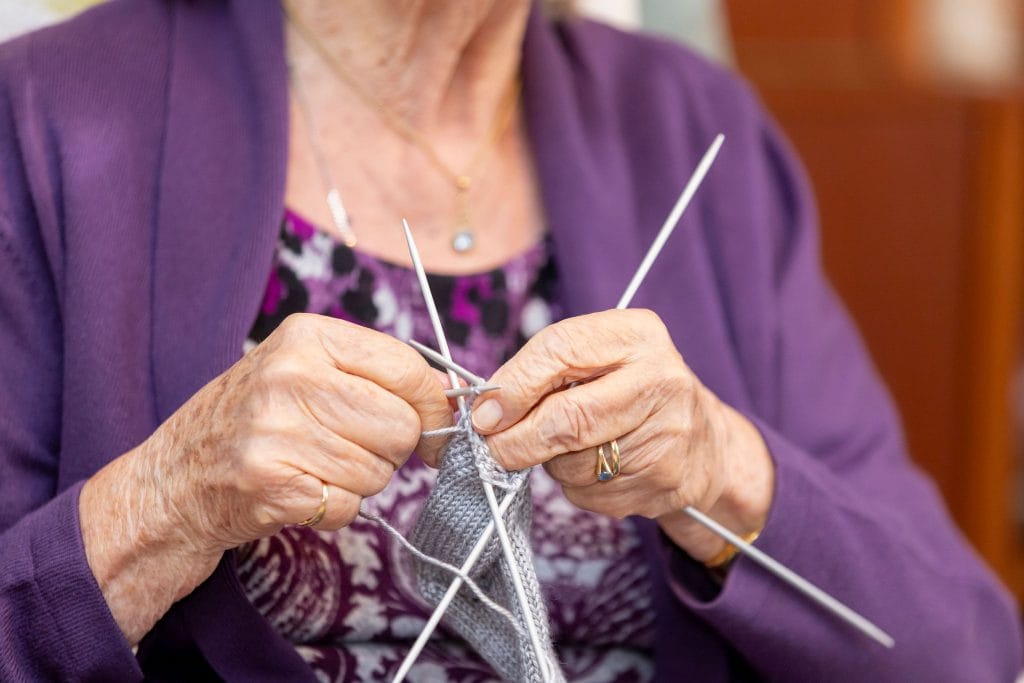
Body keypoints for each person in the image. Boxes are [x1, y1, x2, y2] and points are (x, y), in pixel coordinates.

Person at [0, 0, 1020, 680]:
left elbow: (959, 649)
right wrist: (170, 497)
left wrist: (723, 471)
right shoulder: (50, 116)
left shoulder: (690, 124)